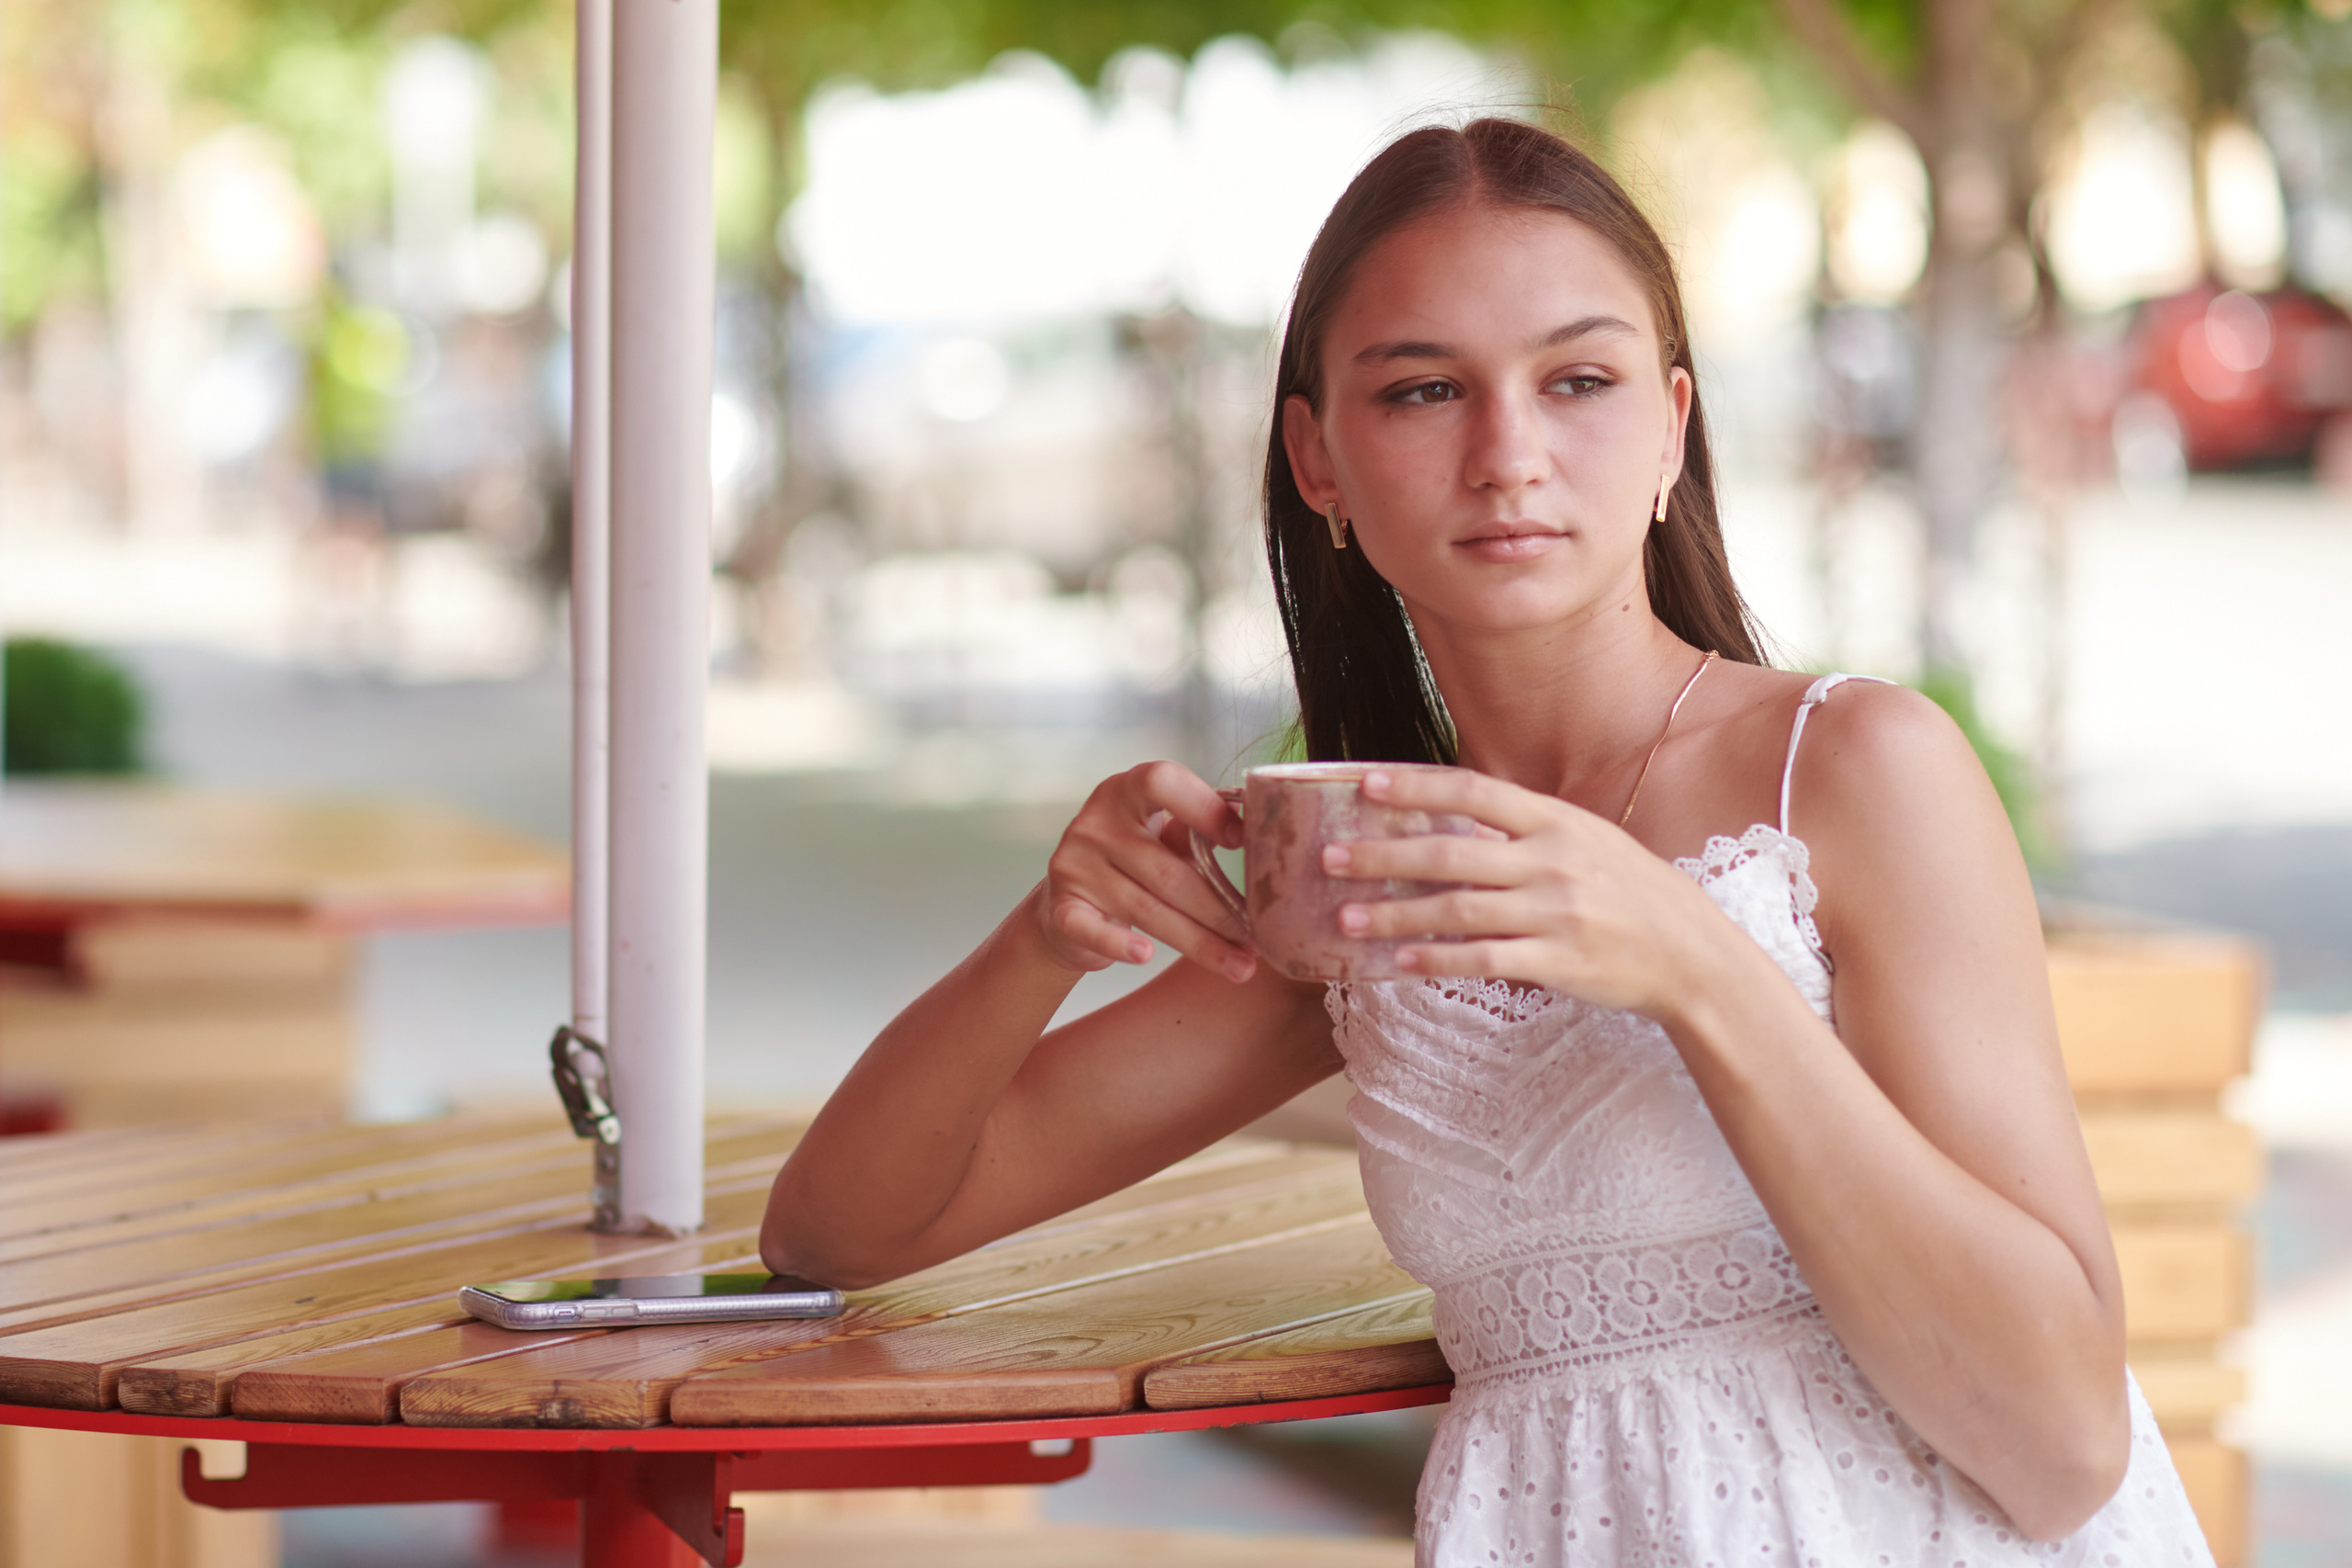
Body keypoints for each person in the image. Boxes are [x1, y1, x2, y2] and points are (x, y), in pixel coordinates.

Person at [761, 118, 2213, 1565]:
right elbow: (841, 1232)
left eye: (1579, 380)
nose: (1507, 453)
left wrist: (1692, 968)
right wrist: (1042, 940)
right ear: (1317, 457)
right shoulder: (1367, 881)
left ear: (1670, 428)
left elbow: (2064, 1442)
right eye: (1423, 391)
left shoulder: (1849, 771)